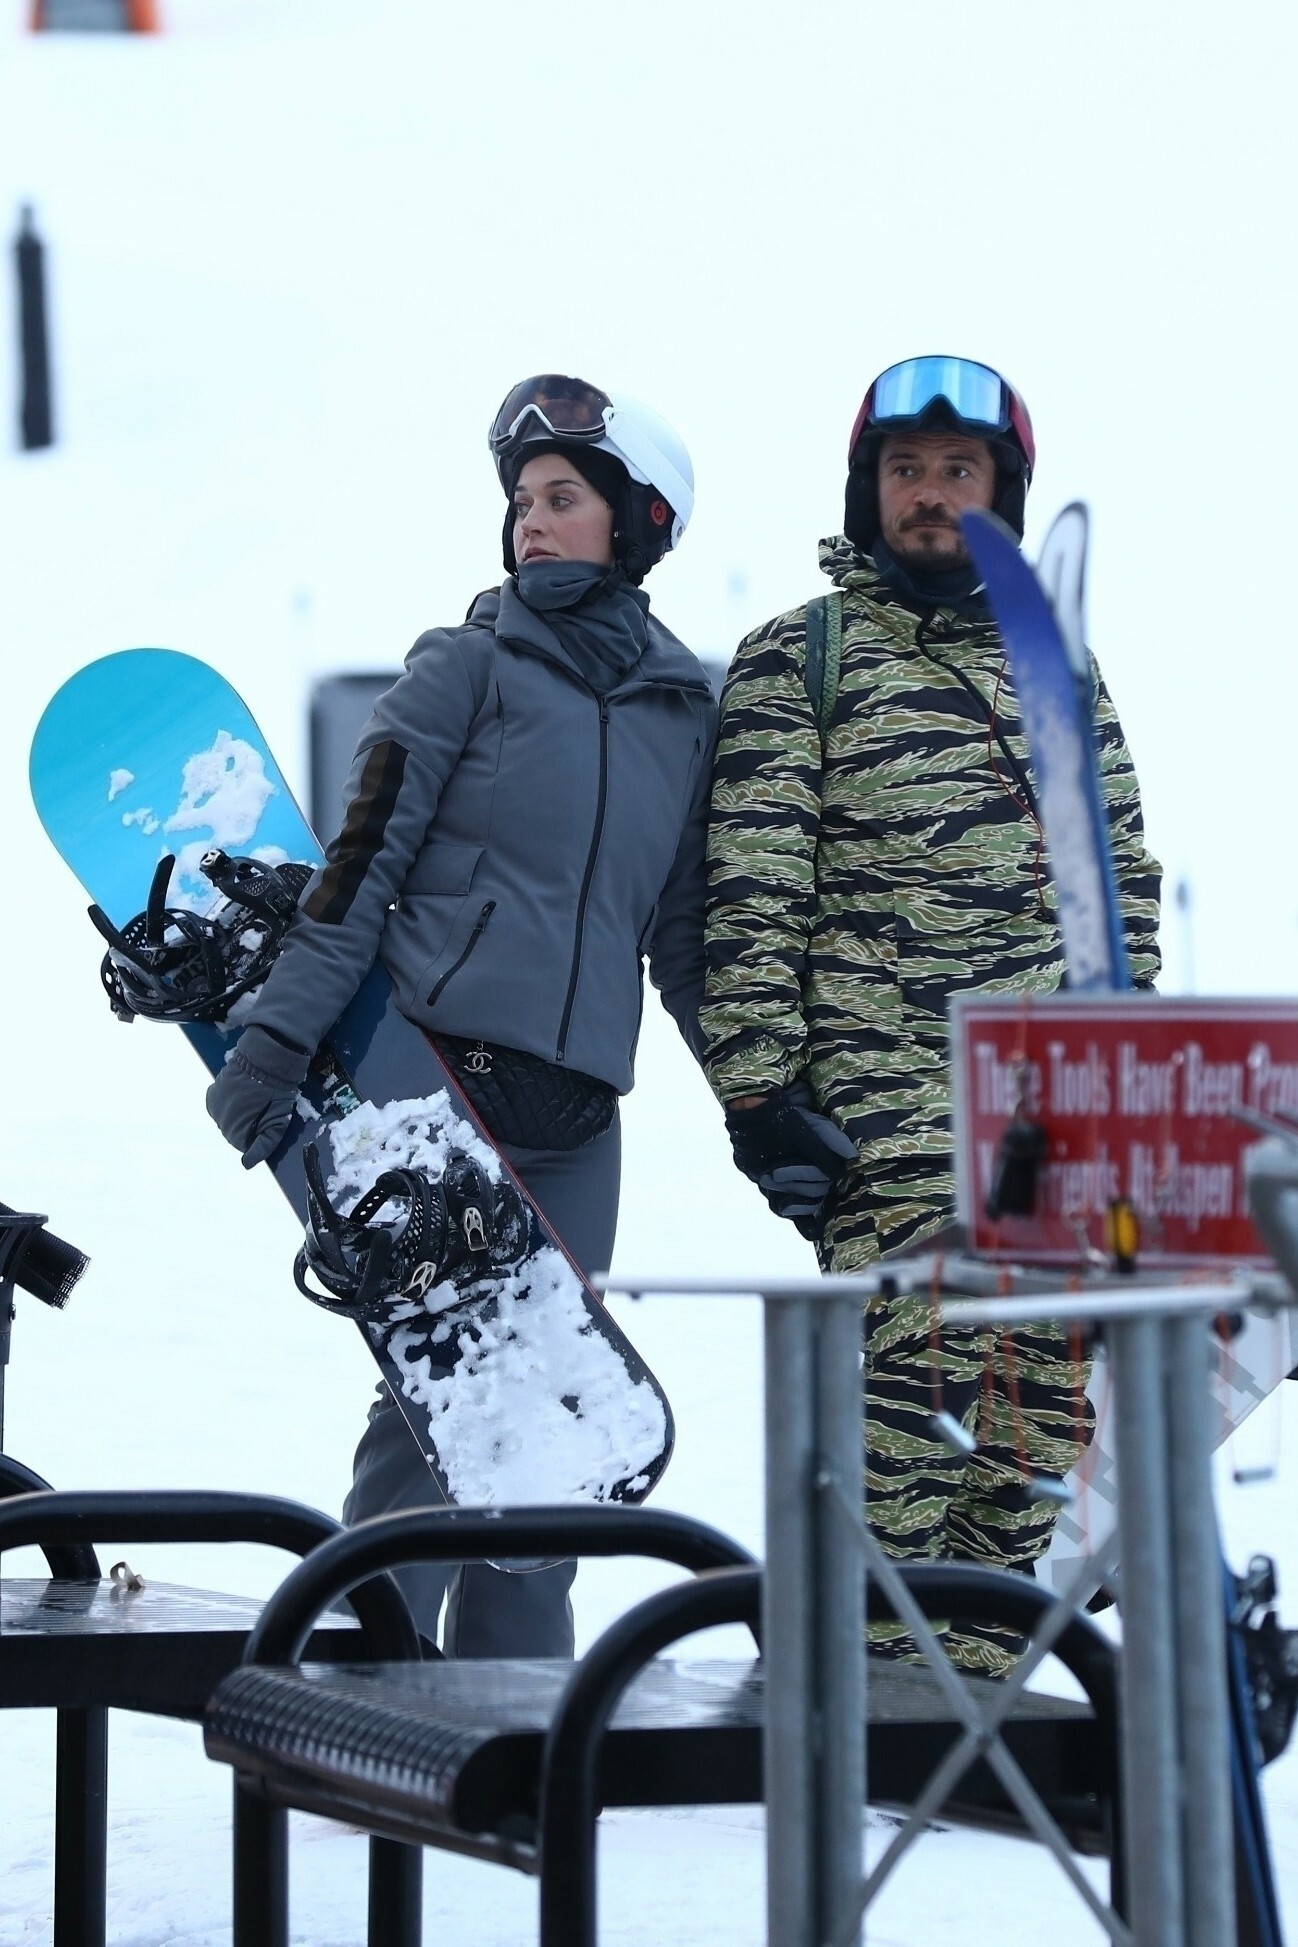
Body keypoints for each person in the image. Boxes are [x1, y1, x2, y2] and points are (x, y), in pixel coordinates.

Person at [207, 374, 716, 1657]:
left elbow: (685, 941)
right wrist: (274, 1041)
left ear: (639, 521)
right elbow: (355, 869)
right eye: (521, 501)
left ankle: (523, 1715)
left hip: (576, 1119)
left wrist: (762, 1104)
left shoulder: (683, 716)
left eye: (562, 497)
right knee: (432, 1417)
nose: (531, 521)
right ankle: (352, 1677)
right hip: (435, 1089)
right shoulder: (461, 670)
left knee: (549, 1438)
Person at [701, 354, 1161, 1673]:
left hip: (1048, 1106)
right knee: (913, 1392)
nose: (930, 495)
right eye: (905, 470)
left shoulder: (1055, 663)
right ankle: (847, 1688)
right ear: (869, 491)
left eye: (958, 471)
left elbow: (1118, 884)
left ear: (1001, 495)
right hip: (885, 1098)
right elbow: (753, 881)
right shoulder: (801, 654)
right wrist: (757, 1091)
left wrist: (1134, 1083)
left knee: (1038, 1416)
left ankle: (966, 1700)